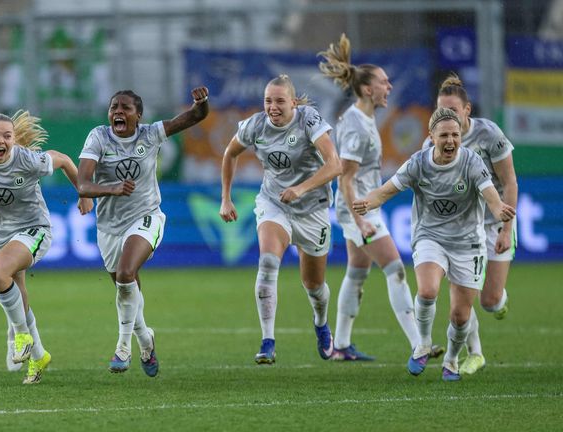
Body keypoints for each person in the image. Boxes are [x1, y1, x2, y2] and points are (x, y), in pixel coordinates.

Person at [353, 107, 515, 381]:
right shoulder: (418, 163)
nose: (451, 141)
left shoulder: (472, 162)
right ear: (431, 136)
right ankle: (423, 343)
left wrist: (499, 209)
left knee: (461, 316)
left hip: (467, 244)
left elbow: (490, 194)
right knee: (427, 291)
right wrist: (368, 201)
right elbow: (388, 189)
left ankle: (451, 360)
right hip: (431, 237)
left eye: (455, 135)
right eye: (444, 136)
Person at [0, 112, 91, 384]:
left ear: (13, 139)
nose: (1, 140)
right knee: (17, 295)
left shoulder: (27, 159)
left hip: (34, 230)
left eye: (7, 136)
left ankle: (21, 335)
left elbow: (64, 160)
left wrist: (84, 192)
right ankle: (38, 355)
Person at [318, 34, 443, 361]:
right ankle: (420, 344)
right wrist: (358, 219)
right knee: (395, 269)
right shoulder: (357, 124)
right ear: (367, 89)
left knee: (357, 272)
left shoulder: (362, 119)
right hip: (358, 207)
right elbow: (345, 175)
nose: (389, 87)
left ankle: (341, 345)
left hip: (361, 205)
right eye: (384, 83)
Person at [78, 86, 209, 376]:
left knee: (126, 273)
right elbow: (83, 184)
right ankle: (146, 340)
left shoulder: (151, 134)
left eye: (125, 108)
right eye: (114, 107)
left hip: (146, 216)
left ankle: (123, 348)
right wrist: (112, 189)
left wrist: (202, 103)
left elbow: (192, 117)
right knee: (126, 287)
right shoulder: (98, 136)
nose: (118, 112)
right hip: (109, 226)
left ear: (139, 115)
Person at [219, 75, 342, 364]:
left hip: (313, 209)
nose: (273, 107)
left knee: (314, 286)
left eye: (279, 101)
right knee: (268, 262)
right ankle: (268, 341)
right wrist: (226, 197)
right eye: (268, 101)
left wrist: (301, 188)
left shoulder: (308, 120)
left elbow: (335, 165)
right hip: (275, 203)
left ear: (294, 103)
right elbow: (230, 153)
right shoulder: (255, 125)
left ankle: (322, 324)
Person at [426, 74, 518, 375]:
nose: (447, 117)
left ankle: (498, 301)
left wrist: (506, 229)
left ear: (467, 109)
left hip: (494, 222)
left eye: (453, 110)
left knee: (489, 301)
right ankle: (475, 352)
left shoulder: (489, 134)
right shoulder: (436, 139)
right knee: (460, 293)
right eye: (442, 111)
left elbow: (509, 182)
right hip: (462, 228)